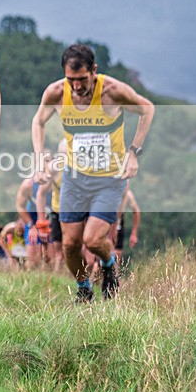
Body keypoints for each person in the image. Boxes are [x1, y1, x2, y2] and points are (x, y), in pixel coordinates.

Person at [32, 43, 154, 302]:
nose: (76, 86)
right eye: (70, 80)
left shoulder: (112, 91)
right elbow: (38, 121)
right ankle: (84, 289)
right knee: (69, 244)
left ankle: (109, 265)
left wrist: (133, 153)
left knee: (93, 239)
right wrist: (40, 156)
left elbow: (147, 109)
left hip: (109, 180)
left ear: (94, 71)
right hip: (75, 179)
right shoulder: (56, 92)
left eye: (82, 79)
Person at [34, 139, 68, 270]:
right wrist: (41, 222)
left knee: (74, 248)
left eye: (68, 154)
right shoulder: (55, 168)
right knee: (59, 254)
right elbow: (41, 194)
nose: (64, 158)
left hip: (77, 213)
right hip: (58, 211)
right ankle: (58, 282)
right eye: (62, 154)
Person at [110, 186, 141, 270]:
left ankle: (114, 279)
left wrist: (134, 233)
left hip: (118, 228)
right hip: (103, 225)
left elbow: (136, 211)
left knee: (116, 257)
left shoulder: (127, 194)